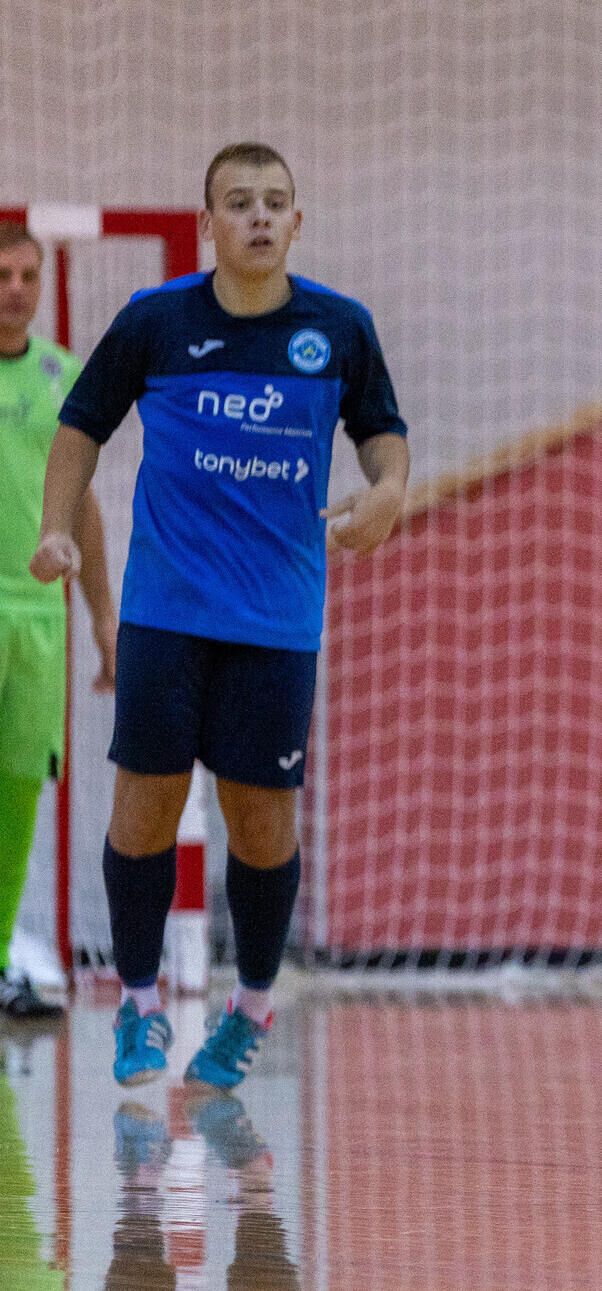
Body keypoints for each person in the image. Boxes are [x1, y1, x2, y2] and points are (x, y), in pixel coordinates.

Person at [33, 143, 409, 1091]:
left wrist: (387, 492)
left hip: (276, 621)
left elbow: (382, 437)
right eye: (239, 202)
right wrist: (56, 529)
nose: (259, 216)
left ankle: (250, 1008)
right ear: (208, 224)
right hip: (164, 614)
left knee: (261, 823)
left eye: (275, 202)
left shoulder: (340, 328)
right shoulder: (155, 321)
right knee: (144, 806)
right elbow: (80, 426)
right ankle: (141, 1003)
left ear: (297, 222)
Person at [0, 221, 118, 1020]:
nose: (15, 289)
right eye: (2, 274)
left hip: (41, 618)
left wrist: (104, 620)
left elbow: (83, 506)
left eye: (28, 275)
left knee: (18, 799)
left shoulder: (63, 377)